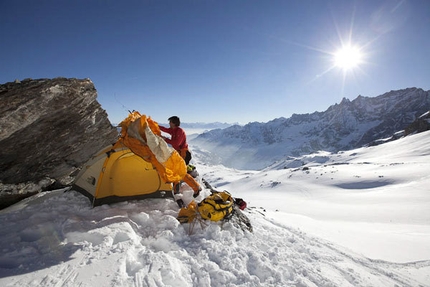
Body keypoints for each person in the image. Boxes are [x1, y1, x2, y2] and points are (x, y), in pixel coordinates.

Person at [160, 116, 201, 205]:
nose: (169, 124)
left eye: (170, 122)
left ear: (174, 123)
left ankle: (196, 188)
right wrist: (152, 124)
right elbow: (165, 129)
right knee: (177, 171)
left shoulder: (179, 131)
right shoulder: (173, 130)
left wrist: (165, 139)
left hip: (184, 154)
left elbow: (176, 143)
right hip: (179, 153)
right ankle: (176, 190)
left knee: (181, 173)